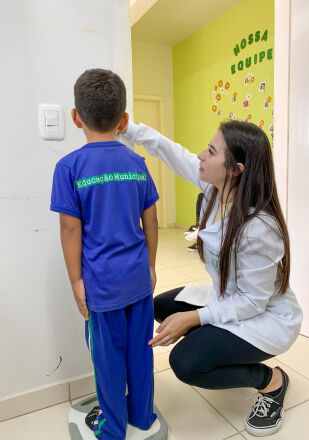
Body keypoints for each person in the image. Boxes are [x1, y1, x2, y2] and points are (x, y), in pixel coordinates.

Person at [120, 120, 303, 437]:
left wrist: (194, 318)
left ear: (235, 169)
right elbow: (173, 152)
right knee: (157, 306)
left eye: (211, 151)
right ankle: (214, 348)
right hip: (228, 297)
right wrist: (129, 129)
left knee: (186, 363)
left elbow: (252, 302)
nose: (201, 156)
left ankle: (271, 382)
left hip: (265, 317)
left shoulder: (259, 227)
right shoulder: (214, 190)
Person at [50, 69, 159, 440]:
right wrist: (152, 267)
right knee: (141, 352)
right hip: (138, 279)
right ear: (123, 120)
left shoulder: (69, 168)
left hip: (102, 287)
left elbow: (70, 229)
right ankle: (142, 416)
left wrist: (76, 281)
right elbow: (152, 222)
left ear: (76, 116)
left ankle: (112, 428)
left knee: (108, 359)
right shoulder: (137, 163)